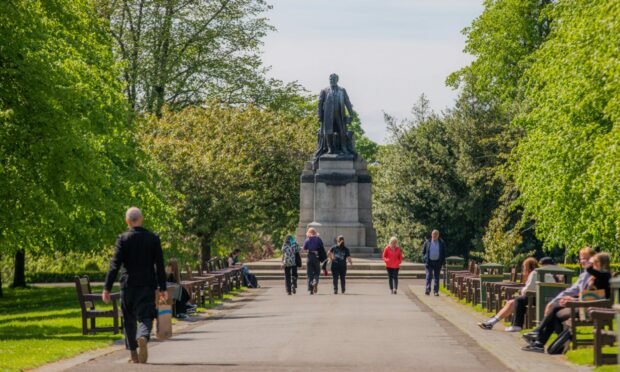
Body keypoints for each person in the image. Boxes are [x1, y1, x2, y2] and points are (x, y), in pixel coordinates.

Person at [103, 207, 167, 364]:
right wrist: (163, 288)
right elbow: (160, 265)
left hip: (128, 284)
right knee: (146, 316)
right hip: (147, 284)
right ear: (142, 218)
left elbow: (114, 265)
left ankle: (133, 353)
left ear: (127, 221)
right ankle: (143, 336)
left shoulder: (123, 239)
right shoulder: (153, 238)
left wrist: (107, 288)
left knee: (129, 319)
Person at [522, 247, 596, 353]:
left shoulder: (596, 274)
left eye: (586, 258)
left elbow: (597, 295)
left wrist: (575, 299)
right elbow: (571, 290)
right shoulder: (584, 274)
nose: (583, 261)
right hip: (580, 305)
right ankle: (541, 342)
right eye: (581, 258)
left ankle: (540, 337)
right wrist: (554, 301)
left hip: (589, 309)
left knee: (555, 312)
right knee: (555, 310)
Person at [478, 257, 556, 331]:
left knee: (518, 300)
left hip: (539, 298)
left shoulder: (536, 273)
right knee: (511, 302)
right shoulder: (553, 274)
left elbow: (529, 288)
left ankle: (516, 325)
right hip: (548, 298)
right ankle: (492, 322)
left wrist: (523, 291)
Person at [422, 230, 446, 296]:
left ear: (438, 235)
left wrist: (442, 262)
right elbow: (423, 252)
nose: (434, 235)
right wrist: (424, 259)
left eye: (436, 234)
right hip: (429, 262)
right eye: (433, 234)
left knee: (436, 277)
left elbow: (443, 253)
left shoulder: (441, 243)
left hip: (438, 262)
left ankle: (436, 291)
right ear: (431, 234)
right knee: (428, 276)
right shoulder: (427, 242)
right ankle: (427, 289)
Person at [303, 228, 325, 294]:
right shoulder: (318, 239)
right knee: (317, 272)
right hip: (317, 257)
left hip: (310, 256)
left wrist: (308, 250)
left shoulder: (307, 240)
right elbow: (322, 246)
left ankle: (311, 289)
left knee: (309, 274)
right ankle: (315, 281)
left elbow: (304, 248)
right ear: (315, 232)